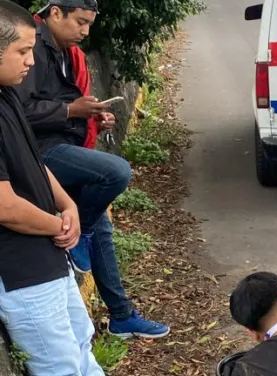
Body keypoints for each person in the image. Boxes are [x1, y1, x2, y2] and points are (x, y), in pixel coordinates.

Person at [14, 0, 169, 339]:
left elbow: (59, 103)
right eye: (80, 22)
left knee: (102, 231)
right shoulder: (33, 48)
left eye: (89, 25)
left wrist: (92, 114)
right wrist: (71, 110)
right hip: (41, 151)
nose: (85, 32)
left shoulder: (62, 49)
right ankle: (79, 234)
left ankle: (121, 314)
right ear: (56, 13)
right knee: (116, 171)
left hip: (62, 143)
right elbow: (19, 110)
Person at [0, 1, 104, 374]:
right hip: (20, 270)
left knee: (82, 343)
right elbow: (5, 207)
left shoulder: (9, 94)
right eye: (23, 51)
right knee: (59, 365)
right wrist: (59, 225)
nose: (31, 62)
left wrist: (68, 205)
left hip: (48, 255)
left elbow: (33, 159)